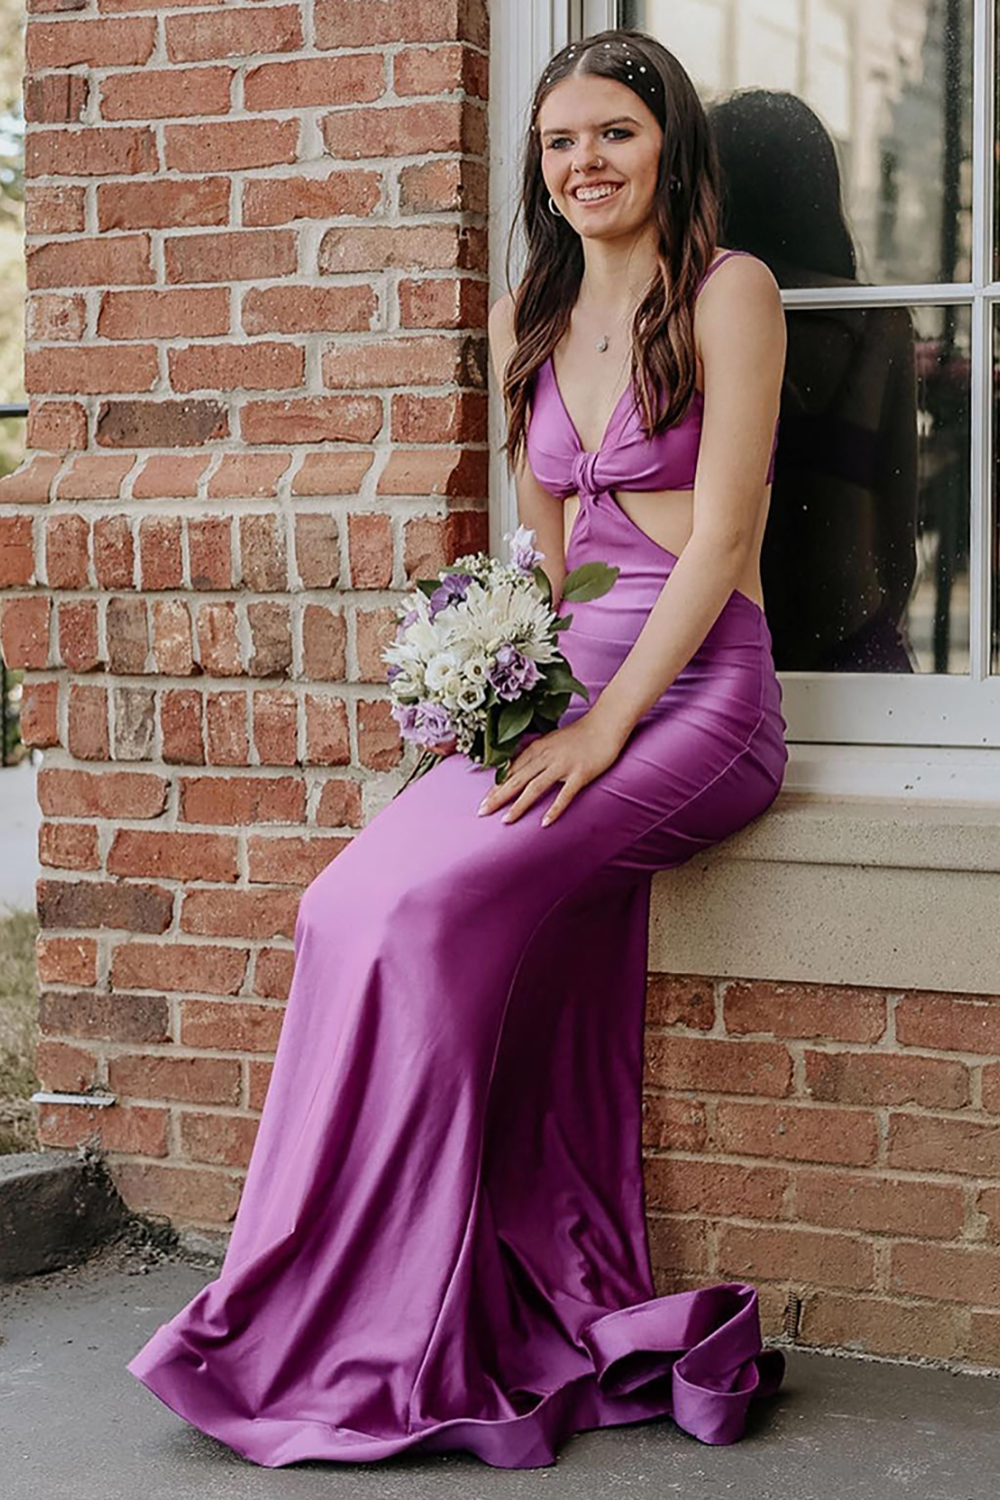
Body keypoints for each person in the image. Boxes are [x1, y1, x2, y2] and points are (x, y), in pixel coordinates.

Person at [126, 27, 789, 1469]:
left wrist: (606, 730)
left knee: (425, 912)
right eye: (559, 143)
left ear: (668, 143)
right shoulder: (526, 321)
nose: (584, 163)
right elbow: (548, 569)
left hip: (698, 699)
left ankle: (385, 1315)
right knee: (338, 902)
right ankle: (295, 1300)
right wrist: (487, 703)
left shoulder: (732, 295)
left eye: (613, 132)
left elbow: (722, 536)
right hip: (571, 699)